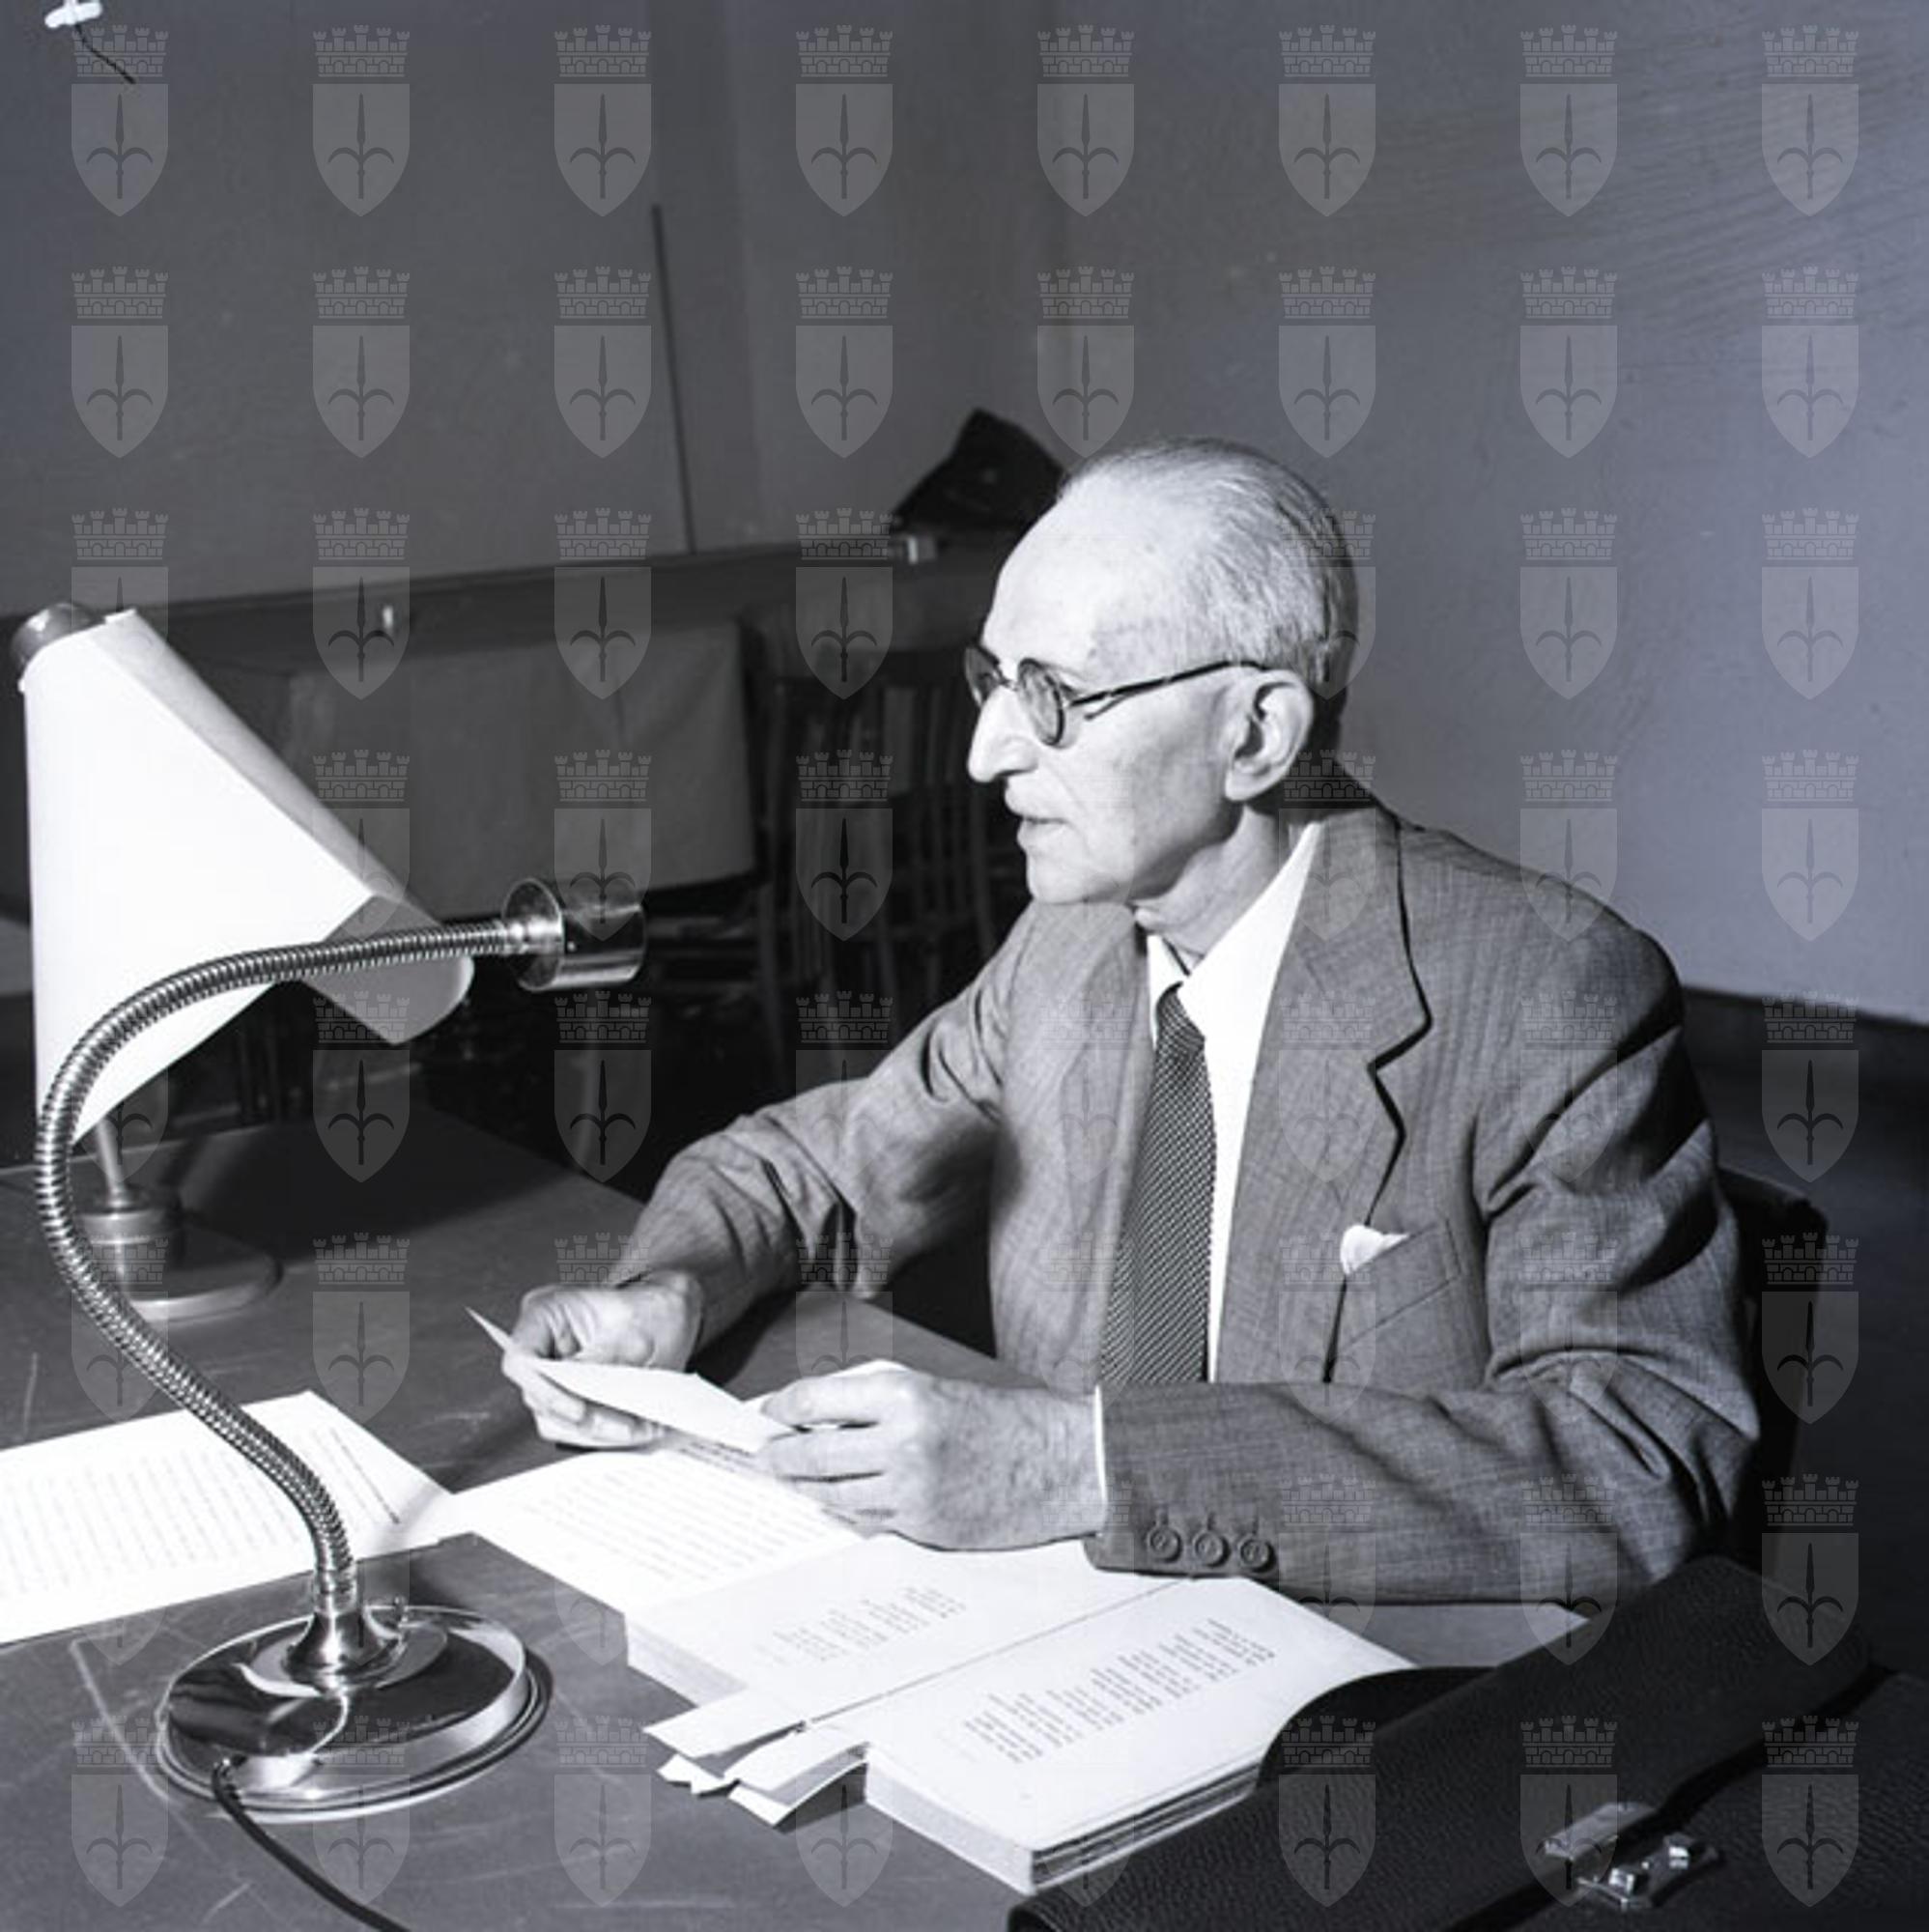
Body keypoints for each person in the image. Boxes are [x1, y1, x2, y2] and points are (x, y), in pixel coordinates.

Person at [505, 438, 1756, 1603]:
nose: (985, 754)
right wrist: (669, 1291)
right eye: (993, 681)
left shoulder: (1543, 991)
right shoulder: (1068, 950)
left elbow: (1637, 1454)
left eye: (1054, 694)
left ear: (1254, 733)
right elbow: (811, 1173)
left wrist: (1087, 1467)